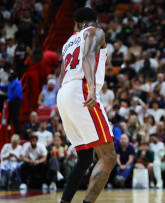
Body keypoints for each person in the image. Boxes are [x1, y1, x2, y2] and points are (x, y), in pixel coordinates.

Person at [57, 7, 116, 203]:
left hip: (64, 94)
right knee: (108, 157)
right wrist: (91, 88)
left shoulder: (68, 43)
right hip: (81, 90)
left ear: (75, 24)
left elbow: (62, 73)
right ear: (94, 21)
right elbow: (89, 56)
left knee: (84, 158)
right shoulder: (94, 31)